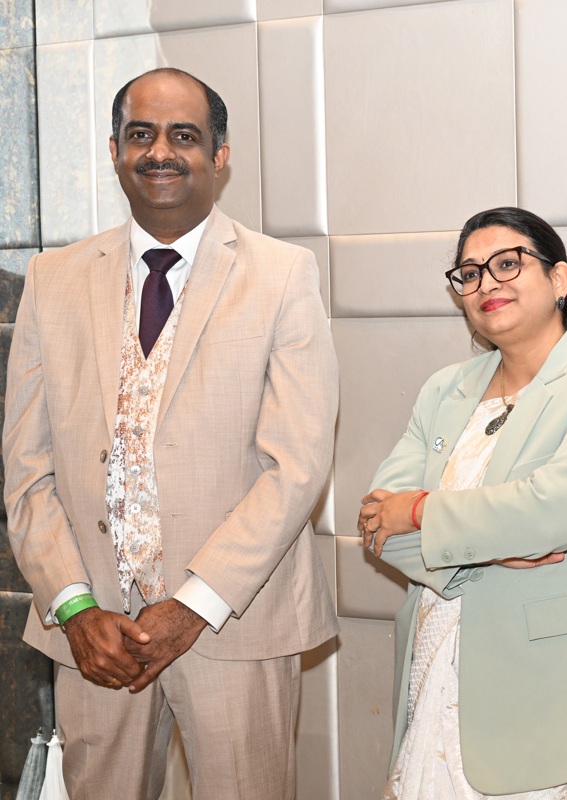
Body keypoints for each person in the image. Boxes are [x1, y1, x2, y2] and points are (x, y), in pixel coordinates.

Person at [3, 67, 338, 798]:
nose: (160, 151)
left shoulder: (282, 275)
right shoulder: (52, 280)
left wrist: (194, 605)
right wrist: (74, 607)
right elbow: (26, 471)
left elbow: (298, 466)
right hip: (95, 637)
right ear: (115, 152)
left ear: (219, 155)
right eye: (141, 134)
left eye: (183, 135)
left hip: (235, 625)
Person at [358, 207, 567, 798]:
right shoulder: (444, 389)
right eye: (470, 273)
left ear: (558, 278)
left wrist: (421, 512)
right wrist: (488, 547)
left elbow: (549, 513)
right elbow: (378, 522)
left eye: (507, 263)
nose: (486, 283)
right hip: (439, 672)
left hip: (559, 688)